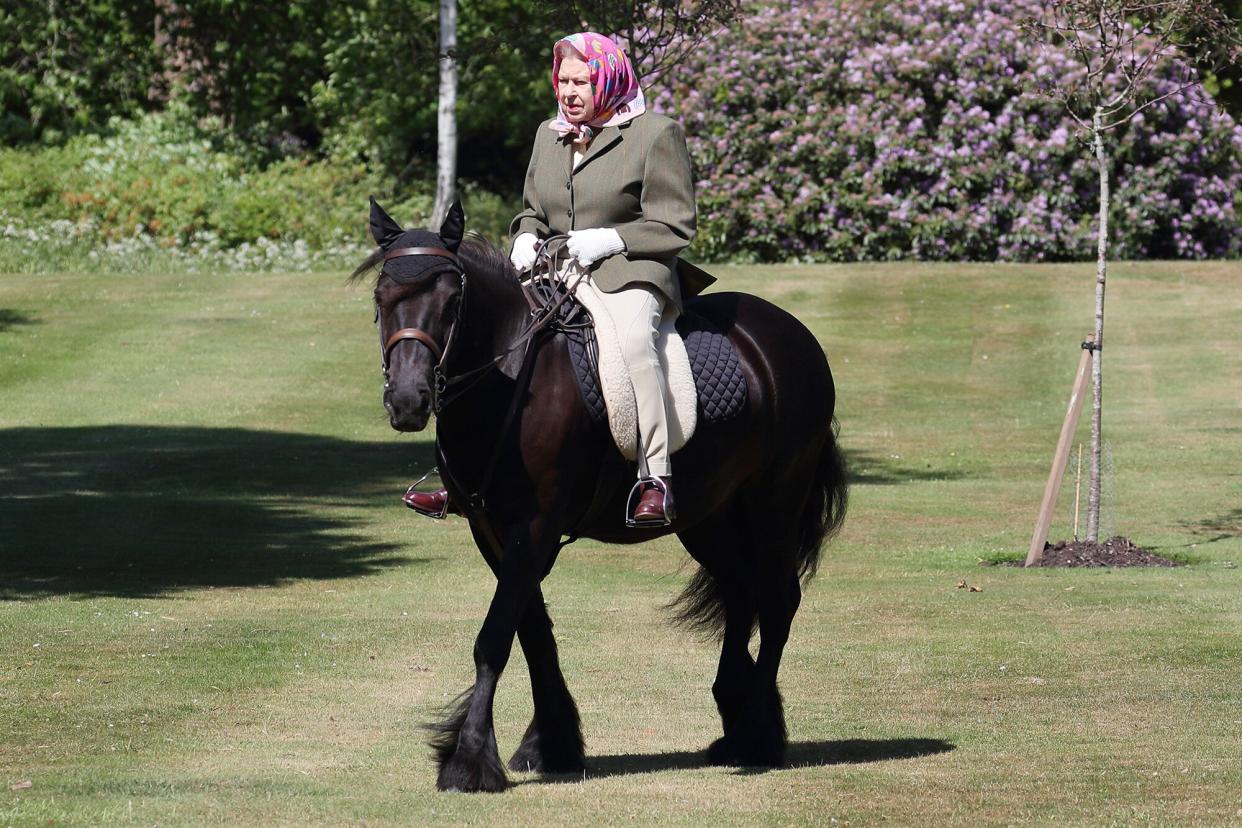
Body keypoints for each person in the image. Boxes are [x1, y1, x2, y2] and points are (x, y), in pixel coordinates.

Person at [405, 31, 697, 526]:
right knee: (484, 338)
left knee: (631, 345)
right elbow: (533, 211)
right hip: (555, 271)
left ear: (607, 77)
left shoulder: (655, 134)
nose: (568, 91)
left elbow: (675, 223)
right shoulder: (550, 132)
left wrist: (612, 239)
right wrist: (524, 235)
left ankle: (655, 477)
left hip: (629, 271)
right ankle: (457, 478)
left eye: (580, 81)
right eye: (562, 80)